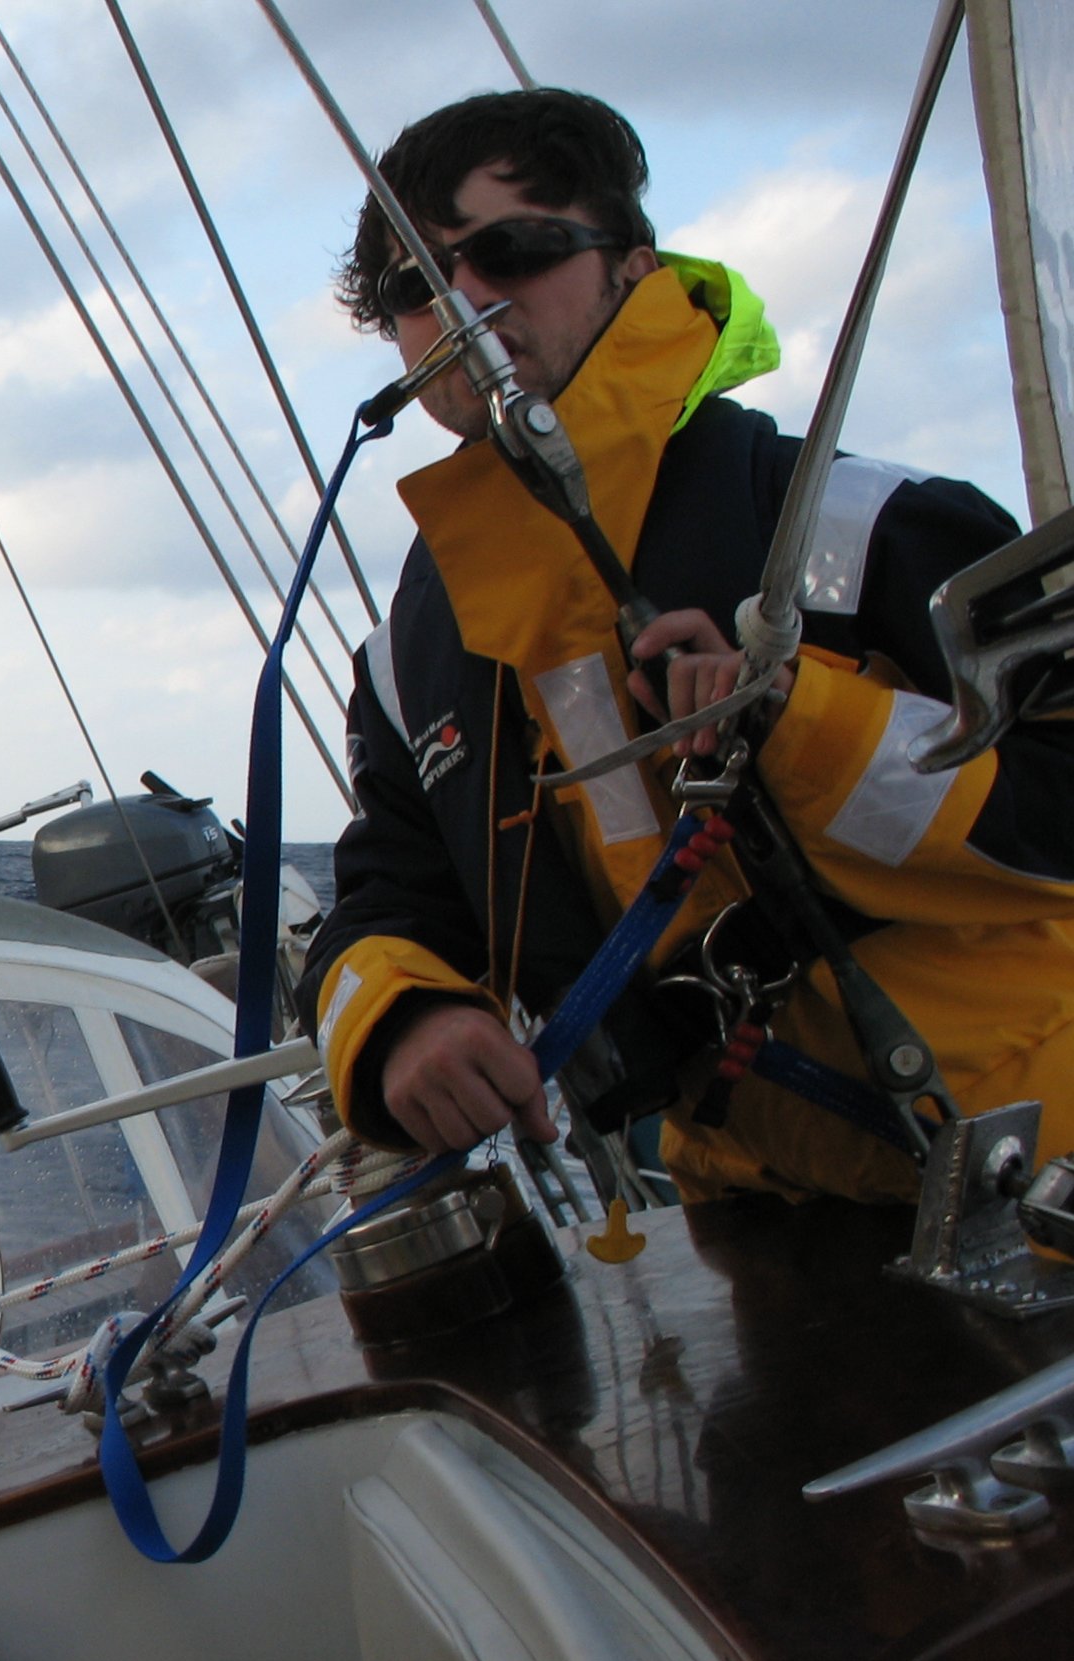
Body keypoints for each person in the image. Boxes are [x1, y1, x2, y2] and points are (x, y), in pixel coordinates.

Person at [300, 88, 1074, 1203]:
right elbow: (389, 898)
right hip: (755, 1209)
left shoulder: (861, 530)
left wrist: (798, 724)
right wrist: (401, 1020)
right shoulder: (409, 668)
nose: (462, 299)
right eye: (413, 286)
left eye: (511, 251)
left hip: (1042, 1143)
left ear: (633, 268)